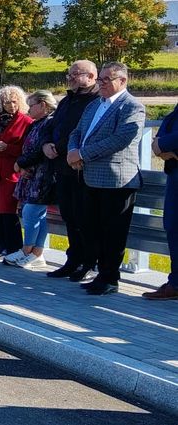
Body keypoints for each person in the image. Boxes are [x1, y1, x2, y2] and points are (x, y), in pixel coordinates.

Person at [67, 62, 145, 296]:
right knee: (92, 229)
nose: (100, 83)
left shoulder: (132, 107)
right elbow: (76, 132)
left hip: (116, 180)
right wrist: (72, 151)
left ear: (122, 81)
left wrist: (81, 154)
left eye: (106, 79)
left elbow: (120, 139)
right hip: (90, 177)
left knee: (113, 232)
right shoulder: (94, 105)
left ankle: (110, 278)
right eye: (99, 79)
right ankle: (100, 273)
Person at [42, 61, 101, 280]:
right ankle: (73, 260)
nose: (72, 77)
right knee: (69, 216)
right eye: (70, 74)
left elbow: (82, 131)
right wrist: (46, 143)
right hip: (62, 167)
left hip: (82, 168)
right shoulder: (67, 100)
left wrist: (58, 147)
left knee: (85, 218)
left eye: (77, 74)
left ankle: (89, 263)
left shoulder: (96, 101)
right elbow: (50, 125)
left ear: (92, 76)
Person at [5, 91, 56, 269]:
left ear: (43, 105)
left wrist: (21, 163)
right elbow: (26, 147)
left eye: (31, 105)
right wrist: (24, 165)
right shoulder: (35, 124)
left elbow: (41, 150)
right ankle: (36, 253)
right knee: (36, 214)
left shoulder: (50, 123)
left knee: (31, 212)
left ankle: (28, 251)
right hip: (31, 175)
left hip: (44, 175)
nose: (28, 109)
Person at [0, 85, 32, 261]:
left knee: (8, 212)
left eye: (13, 101)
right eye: (6, 102)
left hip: (11, 170)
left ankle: (14, 249)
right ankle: (0, 246)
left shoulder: (26, 121)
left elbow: (27, 148)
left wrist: (8, 148)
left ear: (20, 102)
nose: (10, 105)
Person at [145, 102, 178, 300]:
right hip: (174, 173)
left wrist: (162, 144)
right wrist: (158, 144)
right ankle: (175, 282)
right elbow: (167, 124)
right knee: (173, 227)